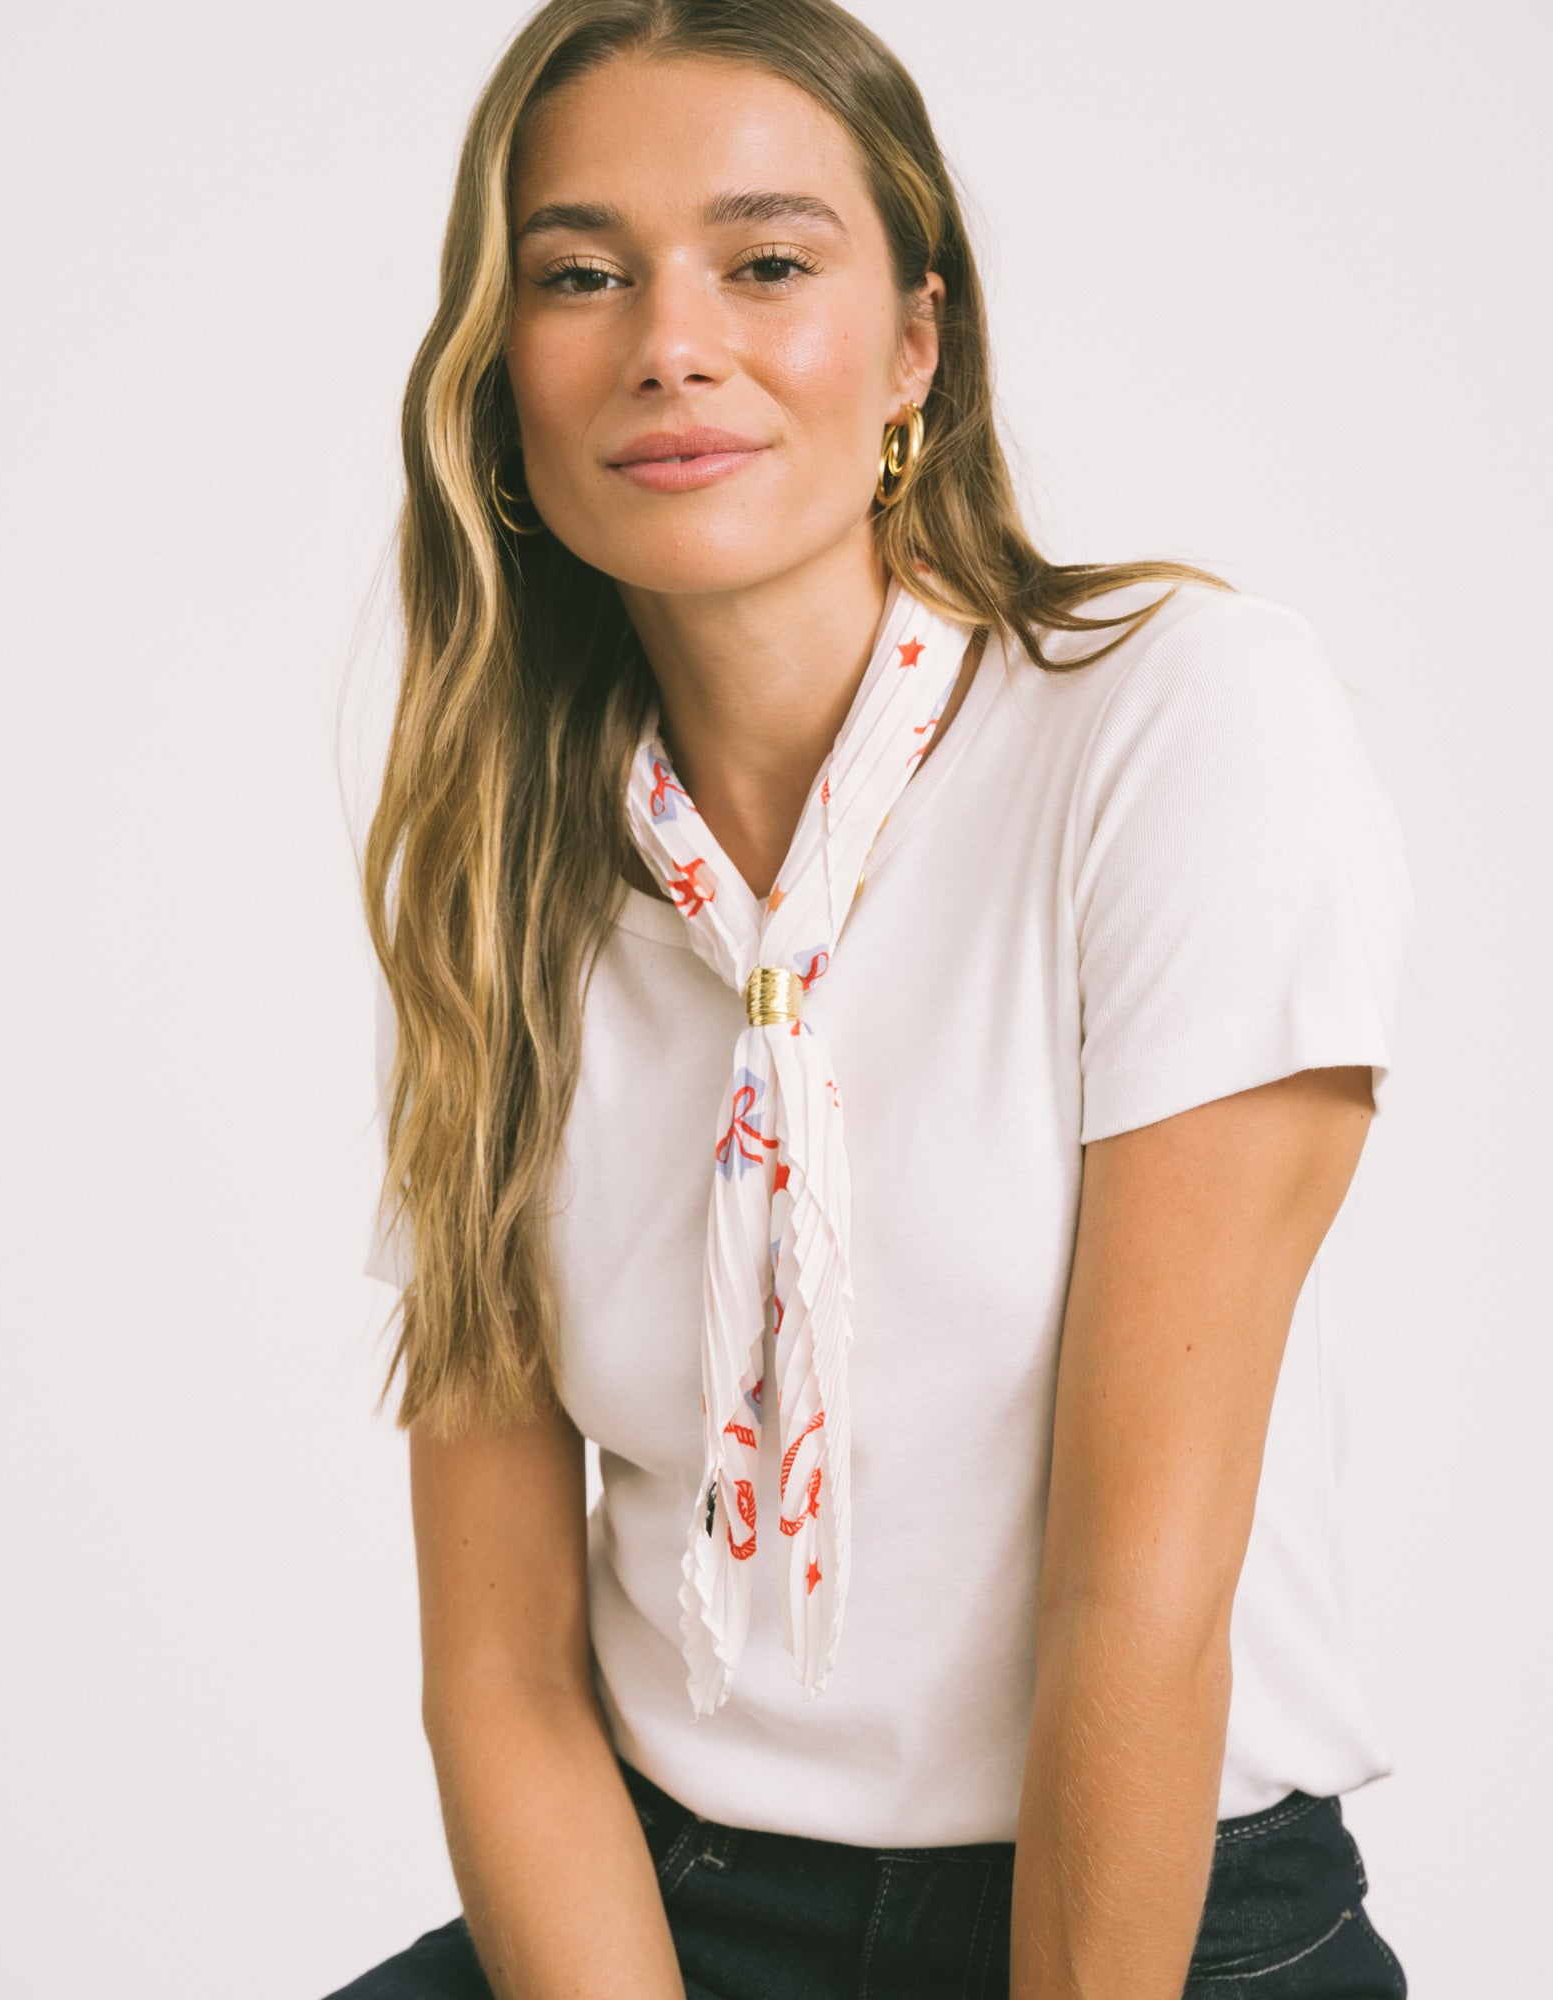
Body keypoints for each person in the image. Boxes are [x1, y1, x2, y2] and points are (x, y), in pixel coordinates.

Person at [330, 1, 1414, 1994]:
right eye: (580, 275)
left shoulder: (1176, 728)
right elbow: (500, 1673)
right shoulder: (502, 886)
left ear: (917, 345)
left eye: (764, 263)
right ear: (499, 380)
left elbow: (1136, 1598)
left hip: (1145, 1917)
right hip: (665, 1906)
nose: (672, 342)